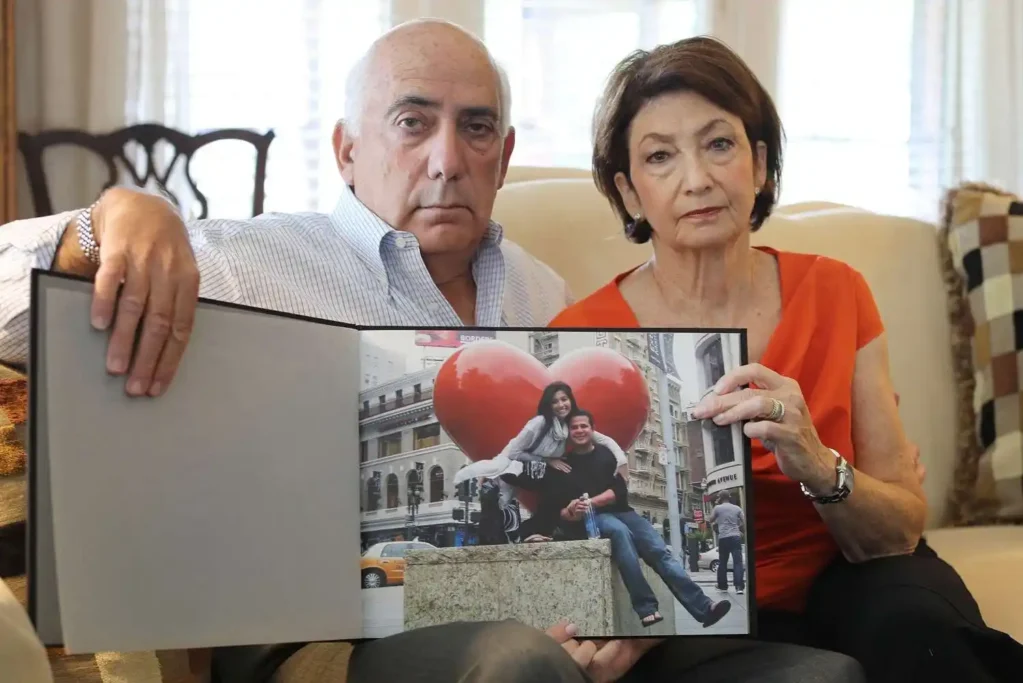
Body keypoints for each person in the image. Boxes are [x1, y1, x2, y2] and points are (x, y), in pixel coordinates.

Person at [0, 19, 868, 683]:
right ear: (347, 149)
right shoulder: (246, 261)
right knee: (517, 659)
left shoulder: (544, 293)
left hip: (523, 606)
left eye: (476, 128)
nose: (447, 159)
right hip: (318, 634)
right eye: (412, 123)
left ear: (506, 155)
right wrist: (107, 221)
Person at [549, 35, 1023, 682]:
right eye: (660, 157)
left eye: (719, 144)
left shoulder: (835, 290)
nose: (698, 179)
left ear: (760, 164)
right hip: (701, 612)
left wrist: (818, 463)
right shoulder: (583, 336)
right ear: (631, 194)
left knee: (920, 627)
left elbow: (899, 530)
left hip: (849, 572)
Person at [510, 408, 731, 629]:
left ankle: (705, 607)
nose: (579, 430)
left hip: (623, 511)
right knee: (619, 532)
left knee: (658, 549)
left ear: (592, 429)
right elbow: (556, 506)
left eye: (583, 426)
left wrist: (591, 501)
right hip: (593, 519)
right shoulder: (562, 465)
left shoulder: (607, 456)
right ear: (568, 432)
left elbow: (619, 490)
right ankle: (646, 608)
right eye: (574, 427)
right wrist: (571, 510)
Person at [452, 381, 628, 488]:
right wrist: (547, 460)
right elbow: (514, 451)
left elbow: (603, 440)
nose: (561, 405)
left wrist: (622, 462)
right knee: (504, 508)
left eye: (564, 399)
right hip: (516, 469)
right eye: (555, 402)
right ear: (548, 405)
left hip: (541, 472)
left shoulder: (571, 424)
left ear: (571, 400)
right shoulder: (539, 423)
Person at [708, 492, 745, 594]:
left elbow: (710, 520)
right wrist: (740, 530)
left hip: (723, 538)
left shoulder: (718, 508)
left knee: (723, 562)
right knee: (737, 562)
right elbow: (744, 520)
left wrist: (716, 505)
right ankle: (739, 587)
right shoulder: (737, 508)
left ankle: (723, 586)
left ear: (720, 498)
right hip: (735, 537)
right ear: (729, 497)